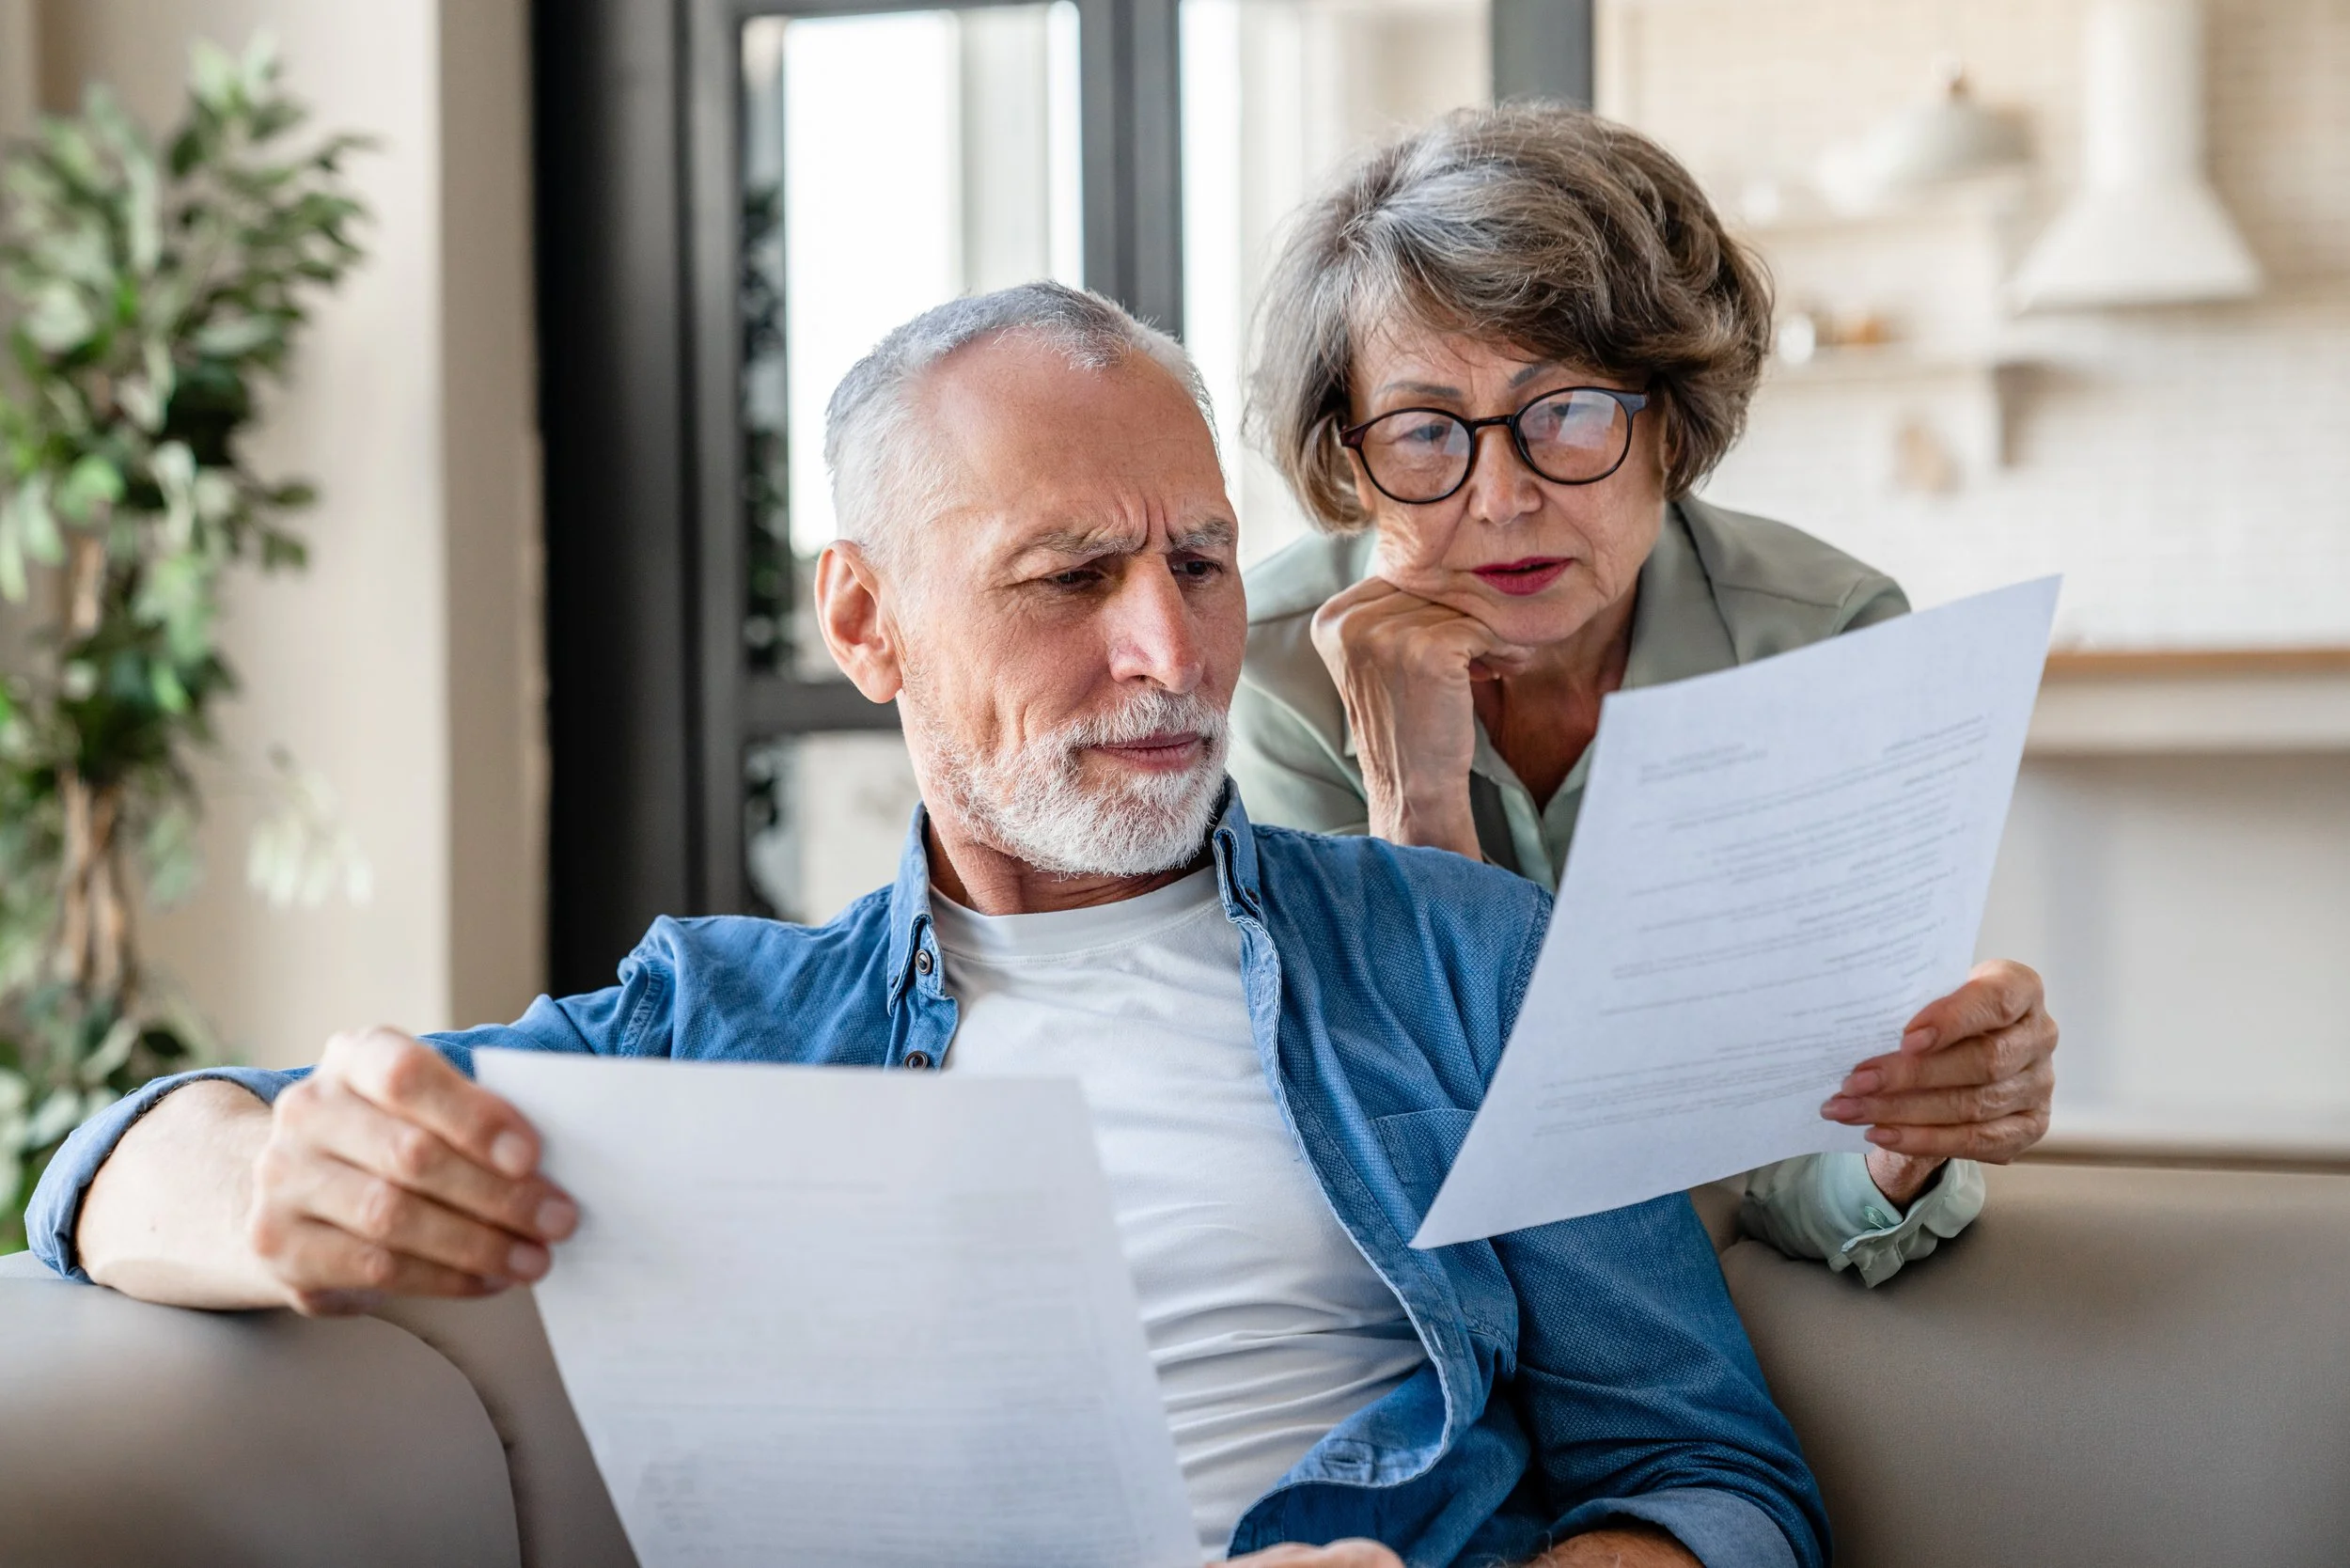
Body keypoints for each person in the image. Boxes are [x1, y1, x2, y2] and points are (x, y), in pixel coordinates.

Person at [34, 284, 1825, 1568]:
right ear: (867, 620)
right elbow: (113, 1159)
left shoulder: (1458, 953)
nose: (1174, 652)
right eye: (1072, 577)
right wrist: (274, 1191)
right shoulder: (718, 1026)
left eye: (1201, 560)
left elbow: (1710, 1473)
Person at [1230, 104, 2059, 1287]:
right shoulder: (1271, 673)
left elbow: (1792, 1154)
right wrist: (1415, 808)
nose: (1501, 497)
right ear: (1350, 464)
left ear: (1669, 422)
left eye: (1562, 412)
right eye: (1422, 431)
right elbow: (1382, 1157)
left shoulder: (1821, 647)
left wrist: (1904, 1142)